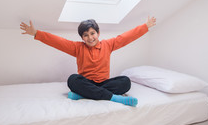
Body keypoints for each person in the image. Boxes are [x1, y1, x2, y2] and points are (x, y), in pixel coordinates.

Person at [20, 16, 156, 107]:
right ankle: (115, 98)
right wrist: (36, 33)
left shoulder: (108, 45)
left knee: (125, 81)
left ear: (98, 33)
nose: (90, 38)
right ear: (82, 38)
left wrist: (145, 26)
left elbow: (126, 37)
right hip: (86, 82)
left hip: (104, 83)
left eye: (92, 33)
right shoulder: (77, 48)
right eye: (85, 35)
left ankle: (82, 94)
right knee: (73, 79)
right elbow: (58, 42)